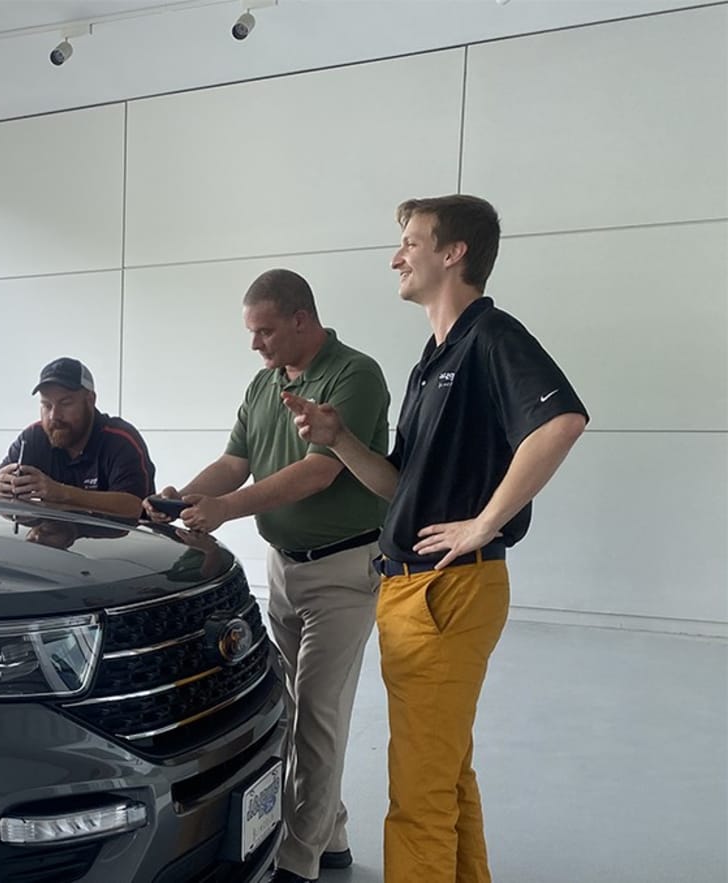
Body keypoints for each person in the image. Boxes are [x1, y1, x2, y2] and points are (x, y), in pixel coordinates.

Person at [288, 195, 587, 883]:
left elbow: (561, 421)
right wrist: (340, 441)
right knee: (446, 773)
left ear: (453, 253)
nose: (397, 256)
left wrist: (487, 521)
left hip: (444, 591)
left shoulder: (491, 337)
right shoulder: (435, 357)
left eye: (410, 241)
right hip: (419, 589)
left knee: (417, 794)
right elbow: (401, 485)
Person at [145, 269, 390, 883]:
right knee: (285, 706)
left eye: (265, 331)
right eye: (251, 333)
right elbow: (236, 461)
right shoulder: (263, 385)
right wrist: (184, 497)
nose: (256, 344)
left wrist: (227, 509)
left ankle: (298, 860)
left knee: (318, 713)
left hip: (343, 570)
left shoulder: (355, 375)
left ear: (302, 319)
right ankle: (328, 831)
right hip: (283, 569)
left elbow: (319, 472)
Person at [0, 357, 154, 520]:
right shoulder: (34, 436)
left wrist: (60, 493)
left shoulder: (120, 439)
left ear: (90, 400)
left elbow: (135, 506)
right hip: (50, 546)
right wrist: (0, 487)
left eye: (65, 403)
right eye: (46, 405)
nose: (54, 415)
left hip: (123, 548)